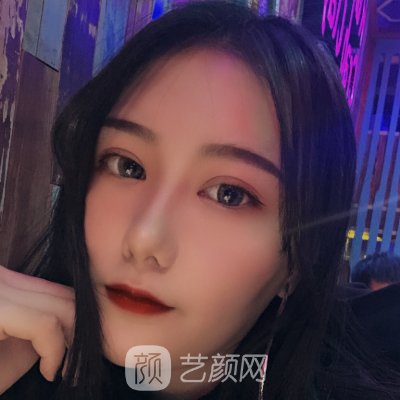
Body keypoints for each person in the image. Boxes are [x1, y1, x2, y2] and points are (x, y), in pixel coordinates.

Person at [0, 1, 399, 399]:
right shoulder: (17, 361)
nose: (144, 239)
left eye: (229, 195)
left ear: (295, 261)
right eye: (127, 166)